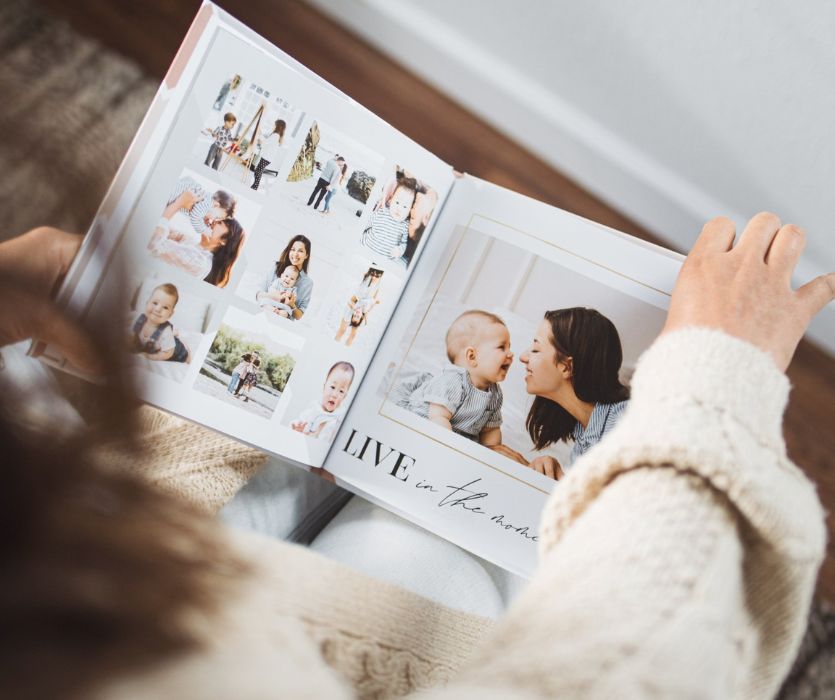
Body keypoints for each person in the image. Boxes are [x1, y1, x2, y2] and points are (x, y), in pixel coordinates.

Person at [1, 214, 834, 699]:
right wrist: (715, 382)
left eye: (528, 346)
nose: (515, 360)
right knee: (423, 540)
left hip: (125, 536)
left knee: (378, 503)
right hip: (183, 589)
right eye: (512, 348)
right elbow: (625, 667)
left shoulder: (543, 409)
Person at [497, 307, 629, 480]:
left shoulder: (626, 423)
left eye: (536, 349)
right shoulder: (584, 440)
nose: (523, 356)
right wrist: (544, 476)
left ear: (566, 367)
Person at [395, 310, 512, 446]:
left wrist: (491, 450)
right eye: (502, 347)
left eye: (509, 347)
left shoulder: (495, 394)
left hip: (457, 435)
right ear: (472, 356)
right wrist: (449, 447)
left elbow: (491, 430)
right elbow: (438, 418)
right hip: (428, 424)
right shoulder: (454, 381)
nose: (510, 353)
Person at [290, 361, 355, 440]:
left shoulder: (337, 422)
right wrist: (297, 431)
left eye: (341, 391)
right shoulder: (311, 412)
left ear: (344, 396)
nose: (335, 395)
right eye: (332, 387)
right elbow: (295, 426)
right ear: (324, 387)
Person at [256, 234, 314, 320]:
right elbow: (258, 295)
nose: (295, 254)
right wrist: (273, 296)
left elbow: (298, 316)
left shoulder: (307, 283)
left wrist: (292, 305)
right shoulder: (276, 267)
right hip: (264, 313)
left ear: (306, 255)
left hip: (284, 320)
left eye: (300, 251)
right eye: (293, 249)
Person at [129, 282, 190, 363]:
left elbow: (168, 353)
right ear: (147, 303)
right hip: (160, 342)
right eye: (155, 303)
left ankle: (184, 351)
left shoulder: (165, 332)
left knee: (185, 357)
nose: (158, 309)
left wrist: (148, 356)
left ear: (170, 314)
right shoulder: (138, 319)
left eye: (165, 307)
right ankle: (174, 334)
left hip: (175, 351)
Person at [361, 178, 417, 261]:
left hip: (384, 259)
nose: (399, 209)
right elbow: (366, 224)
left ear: (409, 211)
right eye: (397, 202)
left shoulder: (405, 225)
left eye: (405, 207)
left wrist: (399, 251)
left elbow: (403, 243)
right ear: (391, 200)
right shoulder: (381, 212)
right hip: (365, 248)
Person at [334, 266, 383, 346]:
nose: (374, 277)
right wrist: (373, 302)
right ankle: (335, 343)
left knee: (353, 335)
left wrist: (355, 307)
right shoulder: (362, 309)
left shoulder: (356, 310)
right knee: (342, 330)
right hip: (356, 305)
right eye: (374, 275)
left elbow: (352, 303)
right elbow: (369, 304)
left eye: (376, 276)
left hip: (354, 306)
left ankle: (346, 347)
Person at [251, 118, 286, 191]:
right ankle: (255, 185)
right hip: (268, 157)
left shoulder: (276, 135)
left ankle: (255, 186)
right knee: (258, 171)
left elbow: (265, 142)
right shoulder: (277, 135)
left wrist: (260, 134)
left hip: (267, 157)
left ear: (278, 126)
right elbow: (266, 143)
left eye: (274, 125)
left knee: (258, 171)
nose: (273, 126)